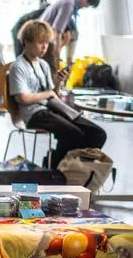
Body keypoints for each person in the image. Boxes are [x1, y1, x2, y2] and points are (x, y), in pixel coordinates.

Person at [9, 20, 106, 169]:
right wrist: (47, 93)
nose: (44, 47)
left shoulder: (43, 65)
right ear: (26, 42)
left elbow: (52, 94)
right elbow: (22, 98)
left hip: (51, 108)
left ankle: (73, 168)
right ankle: (56, 170)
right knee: (73, 134)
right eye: (40, 43)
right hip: (34, 114)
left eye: (46, 43)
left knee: (97, 133)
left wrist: (58, 82)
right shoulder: (18, 66)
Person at [40, 0, 100, 86]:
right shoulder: (69, 4)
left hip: (45, 34)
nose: (84, 7)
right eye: (87, 5)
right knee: (51, 70)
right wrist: (57, 50)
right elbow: (57, 29)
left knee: (52, 70)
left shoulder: (69, 0)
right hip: (44, 34)